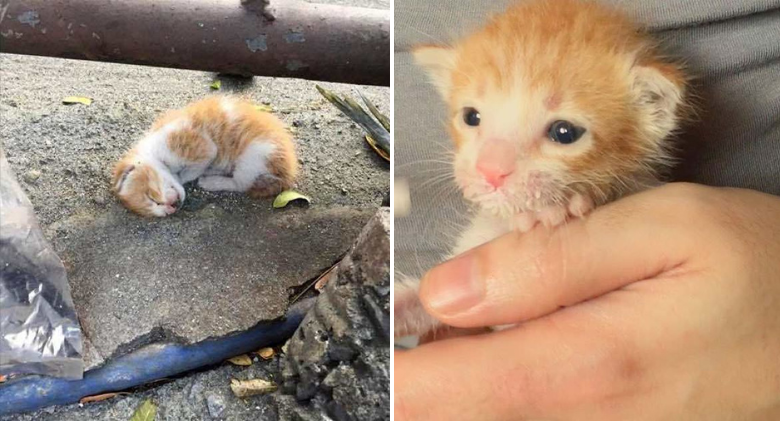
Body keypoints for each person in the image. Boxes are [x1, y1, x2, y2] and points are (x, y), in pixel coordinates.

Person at [394, 0, 780, 419]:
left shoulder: (645, 217)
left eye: (563, 132)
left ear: (652, 109)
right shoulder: (496, 221)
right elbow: (438, 307)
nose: (490, 168)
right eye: (472, 116)